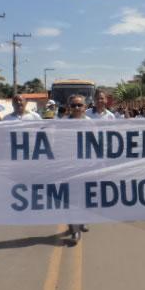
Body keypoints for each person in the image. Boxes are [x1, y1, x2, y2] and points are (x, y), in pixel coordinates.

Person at [67, 94, 91, 244]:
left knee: (85, 198)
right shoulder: (62, 124)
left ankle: (82, 220)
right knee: (71, 200)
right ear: (69, 107)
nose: (77, 108)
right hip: (68, 169)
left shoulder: (91, 124)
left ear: (85, 107)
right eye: (74, 105)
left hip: (86, 168)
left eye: (79, 105)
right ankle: (74, 230)